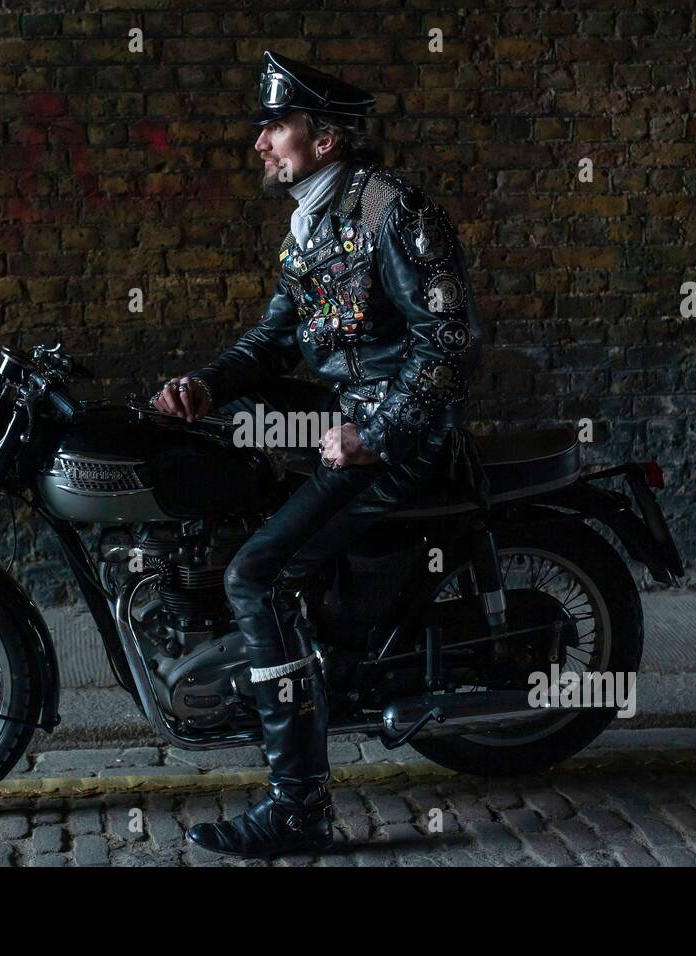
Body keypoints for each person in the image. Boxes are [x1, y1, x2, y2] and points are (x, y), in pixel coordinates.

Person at [151, 50, 486, 858]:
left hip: (396, 439)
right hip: (346, 415)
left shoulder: (391, 213)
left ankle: (299, 809)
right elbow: (275, 339)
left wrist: (377, 432)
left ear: (325, 139)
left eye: (275, 126)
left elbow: (452, 340)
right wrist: (207, 385)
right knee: (225, 457)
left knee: (255, 575)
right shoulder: (314, 220)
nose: (261, 143)